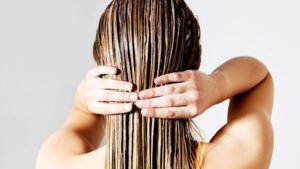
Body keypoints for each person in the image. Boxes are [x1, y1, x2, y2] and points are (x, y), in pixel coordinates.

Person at [36, 0, 274, 168]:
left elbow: (77, 127)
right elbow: (259, 78)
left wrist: (82, 101)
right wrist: (217, 84)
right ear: (192, 68)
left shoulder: (57, 163)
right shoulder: (236, 159)